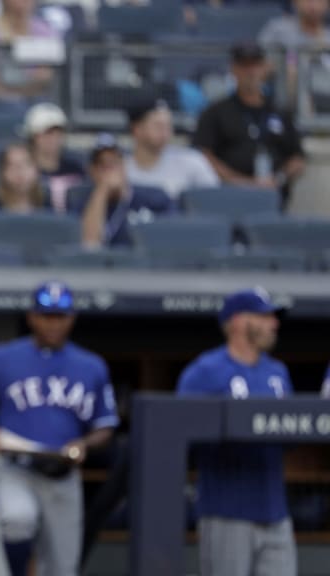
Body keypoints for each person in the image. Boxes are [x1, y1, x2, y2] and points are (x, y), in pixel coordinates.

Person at [0, 281, 118, 576]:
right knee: (17, 520)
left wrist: (84, 445)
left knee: (63, 568)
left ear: (71, 318)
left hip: (63, 475)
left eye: (60, 316)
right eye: (47, 315)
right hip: (17, 469)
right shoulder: (3, 358)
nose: (53, 323)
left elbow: (105, 425)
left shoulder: (92, 366)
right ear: (32, 317)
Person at [176, 287, 296, 576]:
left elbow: (292, 432)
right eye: (265, 316)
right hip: (226, 512)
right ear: (239, 321)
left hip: (275, 512)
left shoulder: (277, 373)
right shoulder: (205, 371)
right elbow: (179, 434)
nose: (274, 324)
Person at [192, 42, 306, 209]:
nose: (251, 72)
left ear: (265, 68)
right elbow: (203, 156)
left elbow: (297, 157)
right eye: (244, 66)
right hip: (228, 198)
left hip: (274, 197)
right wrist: (241, 182)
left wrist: (278, 178)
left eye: (255, 65)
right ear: (233, 69)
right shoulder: (216, 112)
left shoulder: (280, 112)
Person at [75, 134, 175, 248]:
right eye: (104, 165)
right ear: (92, 171)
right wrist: (102, 191)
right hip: (102, 264)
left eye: (115, 162)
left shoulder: (154, 197)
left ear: (124, 165)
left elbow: (170, 239)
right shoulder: (84, 202)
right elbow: (89, 244)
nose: (111, 171)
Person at [125, 98, 219, 201]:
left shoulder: (192, 161)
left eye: (168, 126)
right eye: (158, 126)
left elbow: (214, 201)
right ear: (136, 129)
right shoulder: (121, 169)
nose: (165, 132)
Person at [22, 104, 85, 212]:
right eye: (48, 133)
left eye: (58, 132)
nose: (54, 138)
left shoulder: (75, 169)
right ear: (32, 137)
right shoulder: (24, 173)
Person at [0, 142, 46, 213]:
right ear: (3, 173)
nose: (20, 171)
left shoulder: (50, 207)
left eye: (26, 164)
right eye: (12, 165)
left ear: (36, 170)